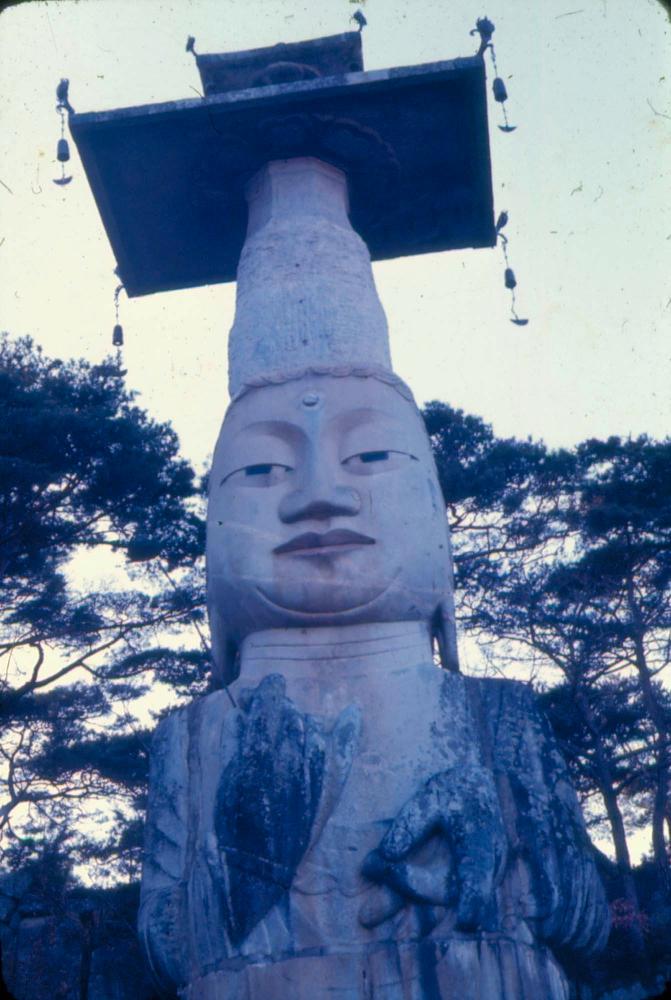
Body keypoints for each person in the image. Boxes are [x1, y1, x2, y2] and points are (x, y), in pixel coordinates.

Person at [139, 368, 608, 1000]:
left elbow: (584, 920)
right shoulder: (194, 735)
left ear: (440, 528)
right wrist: (253, 849)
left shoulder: (495, 714)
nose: (318, 496)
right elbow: (169, 945)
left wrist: (503, 835)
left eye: (371, 456)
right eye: (260, 469)